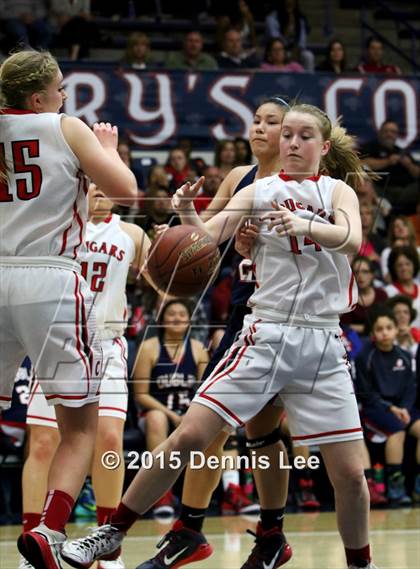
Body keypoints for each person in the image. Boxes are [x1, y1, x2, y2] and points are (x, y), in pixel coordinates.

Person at [62, 103, 378, 569]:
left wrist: (305, 223)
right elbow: (207, 239)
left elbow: (352, 237)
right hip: (266, 333)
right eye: (286, 134)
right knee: (189, 435)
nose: (291, 142)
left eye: (303, 136)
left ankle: (360, 564)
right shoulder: (260, 190)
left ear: (324, 147)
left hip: (322, 342)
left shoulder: (336, 191)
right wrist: (187, 211)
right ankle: (112, 532)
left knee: (351, 474)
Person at [0, 49, 137, 568]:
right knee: (79, 427)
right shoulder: (65, 126)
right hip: (49, 278)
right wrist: (105, 148)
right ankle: (50, 531)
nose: (64, 96)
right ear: (38, 97)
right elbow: (125, 189)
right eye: (59, 88)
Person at [21, 184, 152, 569]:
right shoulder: (57, 226)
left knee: (109, 439)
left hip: (107, 345)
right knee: (44, 443)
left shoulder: (131, 234)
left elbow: (164, 279)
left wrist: (170, 252)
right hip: (57, 339)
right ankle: (34, 546)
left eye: (104, 184)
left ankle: (106, 545)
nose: (99, 191)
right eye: (91, 184)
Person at [133, 299, 209, 517]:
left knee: (213, 421)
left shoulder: (198, 349)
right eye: (171, 314)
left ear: (189, 321)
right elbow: (141, 394)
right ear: (162, 320)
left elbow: (204, 391)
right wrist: (172, 416)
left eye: (182, 314)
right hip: (154, 414)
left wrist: (188, 415)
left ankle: (209, 496)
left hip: (188, 413)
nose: (177, 318)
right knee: (157, 418)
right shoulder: (149, 348)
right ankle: (161, 494)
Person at [355, 309, 420, 505]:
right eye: (379, 329)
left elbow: (411, 388)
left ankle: (417, 486)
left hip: (404, 408)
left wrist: (405, 409)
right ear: (373, 333)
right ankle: (396, 485)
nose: (384, 332)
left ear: (395, 330)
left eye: (388, 328)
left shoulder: (406, 356)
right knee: (397, 431)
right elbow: (366, 392)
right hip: (376, 409)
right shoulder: (365, 356)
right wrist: (391, 408)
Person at [361, 120, 420, 214]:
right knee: (364, 182)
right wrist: (387, 161)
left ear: (397, 135)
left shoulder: (402, 151)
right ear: (380, 133)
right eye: (386, 131)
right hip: (381, 190)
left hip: (405, 191)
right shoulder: (370, 147)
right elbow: (362, 164)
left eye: (393, 132)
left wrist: (409, 165)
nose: (389, 134)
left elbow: (417, 173)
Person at [340, 256, 387, 336]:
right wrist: (368, 328)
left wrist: (362, 328)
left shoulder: (382, 295)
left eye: (365, 272)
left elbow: (387, 320)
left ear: (372, 275)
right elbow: (344, 326)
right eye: (356, 272)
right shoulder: (348, 297)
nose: (360, 276)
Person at [264, 0, 314, 71]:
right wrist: (288, 27)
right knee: (279, 51)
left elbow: (302, 41)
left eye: (292, 4)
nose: (290, 9)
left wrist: (296, 51)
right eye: (288, 5)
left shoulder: (300, 18)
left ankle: (309, 79)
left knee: (308, 56)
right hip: (278, 49)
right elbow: (276, 41)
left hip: (295, 50)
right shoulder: (272, 18)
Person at [385, 245, 420, 328]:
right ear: (394, 269)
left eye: (408, 264)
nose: (404, 268)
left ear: (414, 265)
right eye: (399, 265)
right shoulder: (387, 292)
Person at [380, 216, 419, 283]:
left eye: (404, 225)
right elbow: (387, 279)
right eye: (397, 226)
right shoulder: (387, 252)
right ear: (393, 231)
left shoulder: (418, 251)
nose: (401, 228)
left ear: (410, 228)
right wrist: (394, 252)